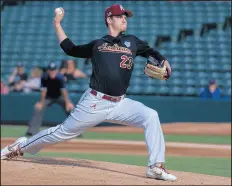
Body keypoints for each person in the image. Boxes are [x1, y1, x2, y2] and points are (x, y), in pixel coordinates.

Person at [1, 4, 176, 181]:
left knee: (151, 116)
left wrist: (164, 60)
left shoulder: (132, 42)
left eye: (125, 16)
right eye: (120, 16)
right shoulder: (97, 45)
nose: (124, 19)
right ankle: (18, 147)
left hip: (120, 103)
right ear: (109, 19)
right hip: (95, 102)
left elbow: (151, 52)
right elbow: (70, 49)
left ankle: (155, 166)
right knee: (60, 133)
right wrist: (57, 24)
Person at [24, 62, 74, 136]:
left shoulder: (60, 77)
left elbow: (64, 91)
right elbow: (44, 91)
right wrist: (41, 103)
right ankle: (32, 130)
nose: (52, 72)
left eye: (53, 70)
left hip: (60, 96)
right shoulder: (44, 77)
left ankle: (74, 130)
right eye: (50, 70)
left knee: (70, 108)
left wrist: (68, 102)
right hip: (48, 97)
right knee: (38, 108)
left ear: (56, 70)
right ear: (48, 70)